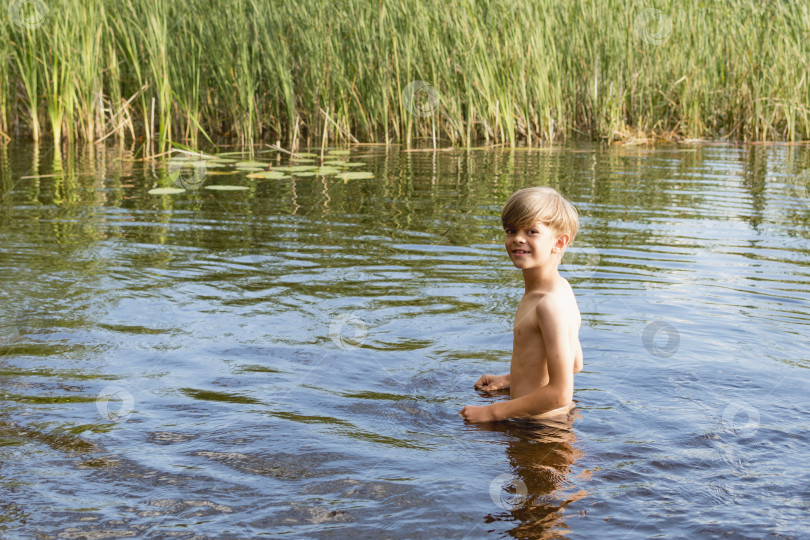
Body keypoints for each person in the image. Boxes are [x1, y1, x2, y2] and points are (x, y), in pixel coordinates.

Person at [460, 186, 583, 423]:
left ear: (559, 242)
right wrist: (508, 380)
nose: (518, 238)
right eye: (511, 230)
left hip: (541, 431)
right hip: (542, 421)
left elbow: (560, 394)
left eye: (532, 231)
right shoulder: (560, 289)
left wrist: (490, 412)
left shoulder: (548, 305)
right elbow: (575, 364)